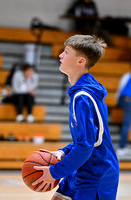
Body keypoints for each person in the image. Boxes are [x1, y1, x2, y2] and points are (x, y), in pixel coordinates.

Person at [32, 35, 119, 200]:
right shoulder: (82, 92)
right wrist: (63, 152)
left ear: (81, 61)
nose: (60, 55)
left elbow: (86, 146)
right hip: (83, 165)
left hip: (96, 173)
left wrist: (54, 172)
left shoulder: (84, 97)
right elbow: (88, 140)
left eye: (66, 52)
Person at [116, 72, 131, 157]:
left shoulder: (127, 75)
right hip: (128, 100)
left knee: (127, 124)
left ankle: (122, 147)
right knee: (127, 124)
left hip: (124, 99)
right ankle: (121, 147)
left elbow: (121, 86)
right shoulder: (127, 75)